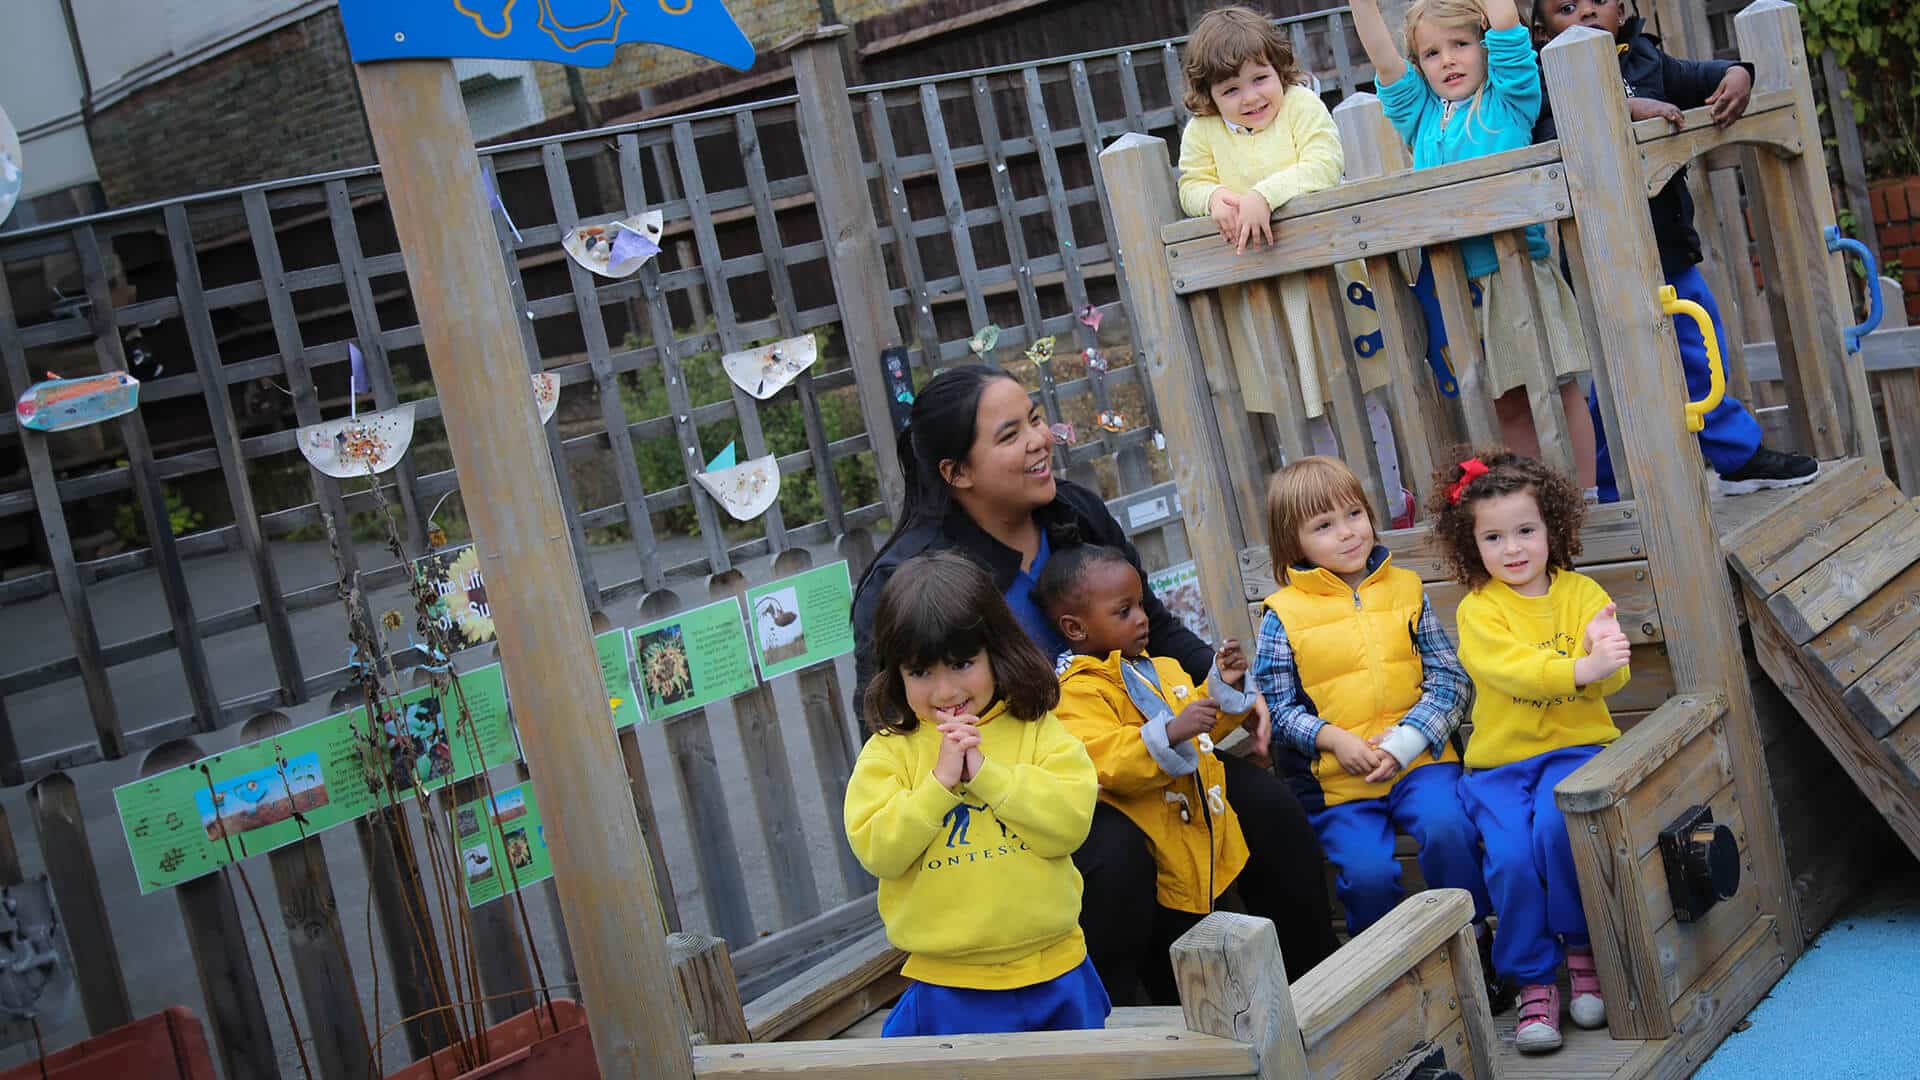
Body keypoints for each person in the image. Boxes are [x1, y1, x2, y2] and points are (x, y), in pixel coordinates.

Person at [852, 365, 1340, 1001]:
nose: (1038, 439)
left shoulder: (1076, 514)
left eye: (1034, 418)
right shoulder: (913, 577)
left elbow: (1152, 624)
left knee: (1270, 813)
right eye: (1009, 435)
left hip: (1147, 748)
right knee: (1118, 861)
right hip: (1030, 781)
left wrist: (1230, 694)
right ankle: (1147, 1029)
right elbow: (897, 711)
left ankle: (1320, 1004)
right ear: (956, 472)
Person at [1528, 0, 1819, 499]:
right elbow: (1547, 133)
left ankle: (1611, 479)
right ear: (1542, 29)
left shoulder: (1646, 59)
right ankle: (1723, 457)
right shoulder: (1542, 80)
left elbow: (1699, 77)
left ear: (1623, 10)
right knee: (1629, 369)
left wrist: (1736, 74)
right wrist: (1626, 107)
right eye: (1566, 8)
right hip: (1599, 260)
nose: (1586, 14)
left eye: (1599, 1)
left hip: (1667, 247)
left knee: (1694, 347)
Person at [1251, 457, 1500, 995]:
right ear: (1292, 542)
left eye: (1353, 514)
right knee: (1367, 875)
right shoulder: (1282, 614)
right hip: (1340, 783)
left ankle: (1477, 944)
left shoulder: (1406, 589)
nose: (1346, 532)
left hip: (1420, 763)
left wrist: (1408, 741)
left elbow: (1450, 681)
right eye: (1323, 525)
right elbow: (1279, 708)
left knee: (1448, 827)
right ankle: (1385, 978)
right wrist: (1333, 739)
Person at [846, 550, 1106, 1035]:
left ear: (996, 650)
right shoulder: (890, 752)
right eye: (920, 673)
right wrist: (939, 784)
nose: (944, 691)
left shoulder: (1036, 729)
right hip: (947, 981)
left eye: (963, 663)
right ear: (895, 674)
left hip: (1055, 966)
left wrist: (986, 774)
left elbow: (1068, 825)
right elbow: (879, 850)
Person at [1429, 451, 1633, 1053]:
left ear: (1553, 530)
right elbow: (1513, 671)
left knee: (1556, 830)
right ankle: (1534, 981)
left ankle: (1583, 954)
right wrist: (1582, 665)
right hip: (1498, 767)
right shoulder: (1479, 609)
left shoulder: (1581, 592)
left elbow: (1613, 677)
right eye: (1494, 537)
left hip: (1576, 751)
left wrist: (1603, 657)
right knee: (1513, 858)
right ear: (1473, 546)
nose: (1512, 548)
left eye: (1525, 531)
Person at [1351, 0, 1599, 492]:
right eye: (1431, 53)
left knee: (1555, 387)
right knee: (1503, 400)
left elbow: (1507, 25)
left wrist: (1496, 22)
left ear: (1485, 47)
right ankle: (1534, 500)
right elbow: (1382, 57)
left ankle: (1586, 495)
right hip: (1458, 288)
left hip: (1518, 274)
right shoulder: (1421, 117)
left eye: (1461, 45)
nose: (1447, 60)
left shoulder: (1509, 98)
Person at [1177, 5, 1410, 524]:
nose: (1250, 97)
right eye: (1230, 90)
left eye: (1260, 79)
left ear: (1280, 71)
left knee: (1360, 400)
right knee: (1299, 414)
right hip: (1265, 307)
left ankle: (1391, 505)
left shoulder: (1302, 106)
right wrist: (1216, 198)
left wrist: (1264, 194)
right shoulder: (1204, 133)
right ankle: (1326, 520)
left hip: (1327, 290)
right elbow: (1190, 183)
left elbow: (1324, 164)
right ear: (1210, 96)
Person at [1035, 544, 1268, 1004]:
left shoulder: (1161, 668)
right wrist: (1170, 732)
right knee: (1184, 980)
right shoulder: (1075, 693)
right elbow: (1105, 758)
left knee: (1239, 961)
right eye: (1124, 611)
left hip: (1211, 843)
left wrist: (1223, 687)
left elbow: (1200, 727)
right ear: (1075, 627)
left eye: (1141, 604)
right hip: (1163, 856)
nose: (1142, 618)